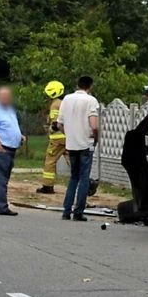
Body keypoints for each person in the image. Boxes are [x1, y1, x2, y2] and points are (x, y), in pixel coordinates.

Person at [58, 76, 99, 222]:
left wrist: (68, 135)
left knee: (73, 177)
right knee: (83, 178)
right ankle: (78, 211)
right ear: (90, 86)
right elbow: (94, 125)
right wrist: (95, 137)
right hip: (85, 144)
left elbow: (60, 124)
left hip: (71, 144)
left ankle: (66, 210)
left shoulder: (66, 99)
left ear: (77, 85)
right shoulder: (91, 101)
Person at [0, 86, 25, 216]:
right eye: (3, 96)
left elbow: (11, 126)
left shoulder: (9, 110)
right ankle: (2, 207)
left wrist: (20, 136)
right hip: (0, 148)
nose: (6, 98)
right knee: (1, 179)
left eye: (8, 96)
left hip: (10, 148)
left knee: (0, 178)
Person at [37, 80, 67, 195]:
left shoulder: (55, 104)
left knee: (50, 161)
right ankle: (85, 185)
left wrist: (49, 129)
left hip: (57, 140)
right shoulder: (65, 103)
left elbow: (56, 124)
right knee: (74, 163)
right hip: (69, 138)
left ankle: (47, 186)